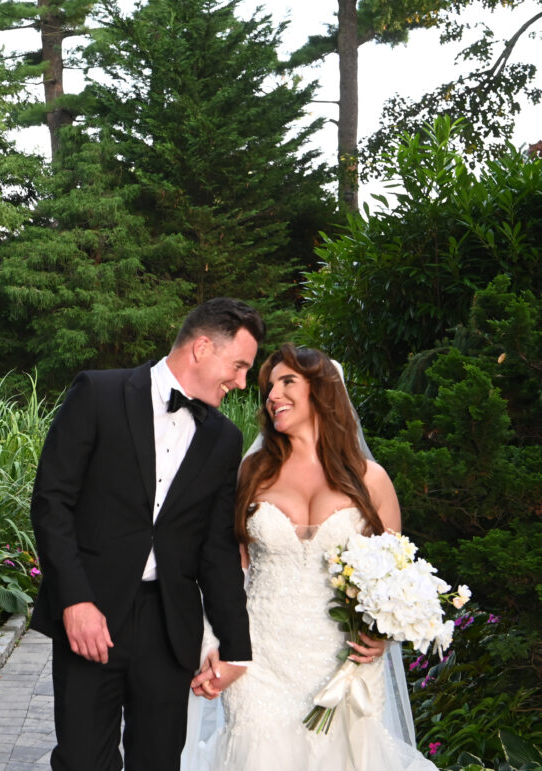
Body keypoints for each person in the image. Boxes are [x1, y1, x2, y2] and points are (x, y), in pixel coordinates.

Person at [30, 297, 266, 771]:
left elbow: (217, 549)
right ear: (202, 347)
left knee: (158, 762)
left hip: (168, 626)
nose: (242, 382)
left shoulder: (223, 438)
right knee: (81, 761)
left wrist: (236, 648)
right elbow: (52, 502)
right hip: (90, 617)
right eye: (239, 366)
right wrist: (74, 600)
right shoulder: (98, 393)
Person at [181, 344, 437, 770]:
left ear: (321, 391)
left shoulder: (370, 480)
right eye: (268, 387)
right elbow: (227, 567)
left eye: (287, 382)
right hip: (258, 656)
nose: (272, 395)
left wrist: (383, 635)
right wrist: (213, 643)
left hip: (341, 659)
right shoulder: (253, 472)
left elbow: (397, 578)